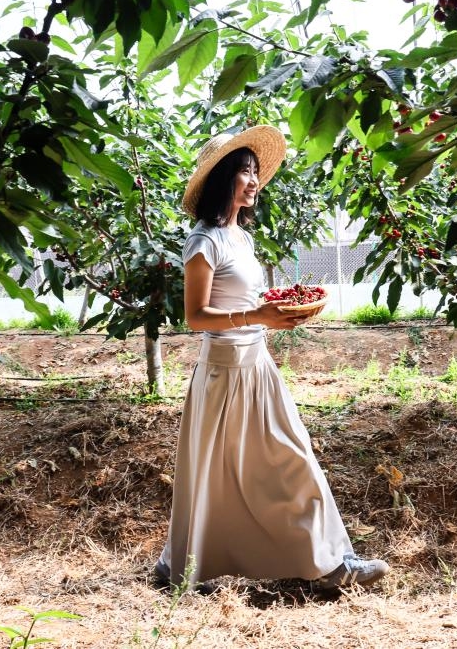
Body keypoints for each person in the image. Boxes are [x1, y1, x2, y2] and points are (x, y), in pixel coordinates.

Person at [153, 125, 390, 591]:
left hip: (257, 367)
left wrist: (271, 318)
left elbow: (249, 308)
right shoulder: (205, 241)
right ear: (223, 179)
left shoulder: (242, 237)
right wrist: (255, 315)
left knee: (293, 460)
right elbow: (196, 317)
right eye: (244, 172)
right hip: (223, 375)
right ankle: (182, 567)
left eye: (256, 172)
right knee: (217, 480)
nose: (254, 180)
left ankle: (328, 563)